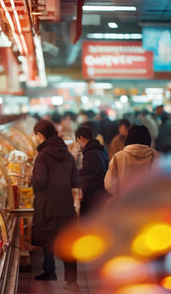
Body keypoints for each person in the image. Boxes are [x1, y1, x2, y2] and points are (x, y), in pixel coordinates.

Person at [31, 120, 79, 291]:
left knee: (48, 239)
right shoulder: (67, 154)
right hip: (65, 204)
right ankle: (72, 281)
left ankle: (49, 270)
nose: (35, 138)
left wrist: (31, 179)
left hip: (47, 204)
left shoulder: (43, 156)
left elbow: (40, 181)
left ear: (41, 135)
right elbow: (75, 181)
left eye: (36, 134)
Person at [104, 125, 160, 198]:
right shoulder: (156, 156)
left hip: (124, 203)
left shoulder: (118, 157)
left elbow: (109, 184)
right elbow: (161, 183)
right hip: (150, 203)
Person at [76, 126, 110, 217]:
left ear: (81, 138)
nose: (79, 144)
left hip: (93, 197)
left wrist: (78, 181)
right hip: (103, 194)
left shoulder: (90, 153)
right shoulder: (101, 150)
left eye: (78, 141)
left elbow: (95, 176)